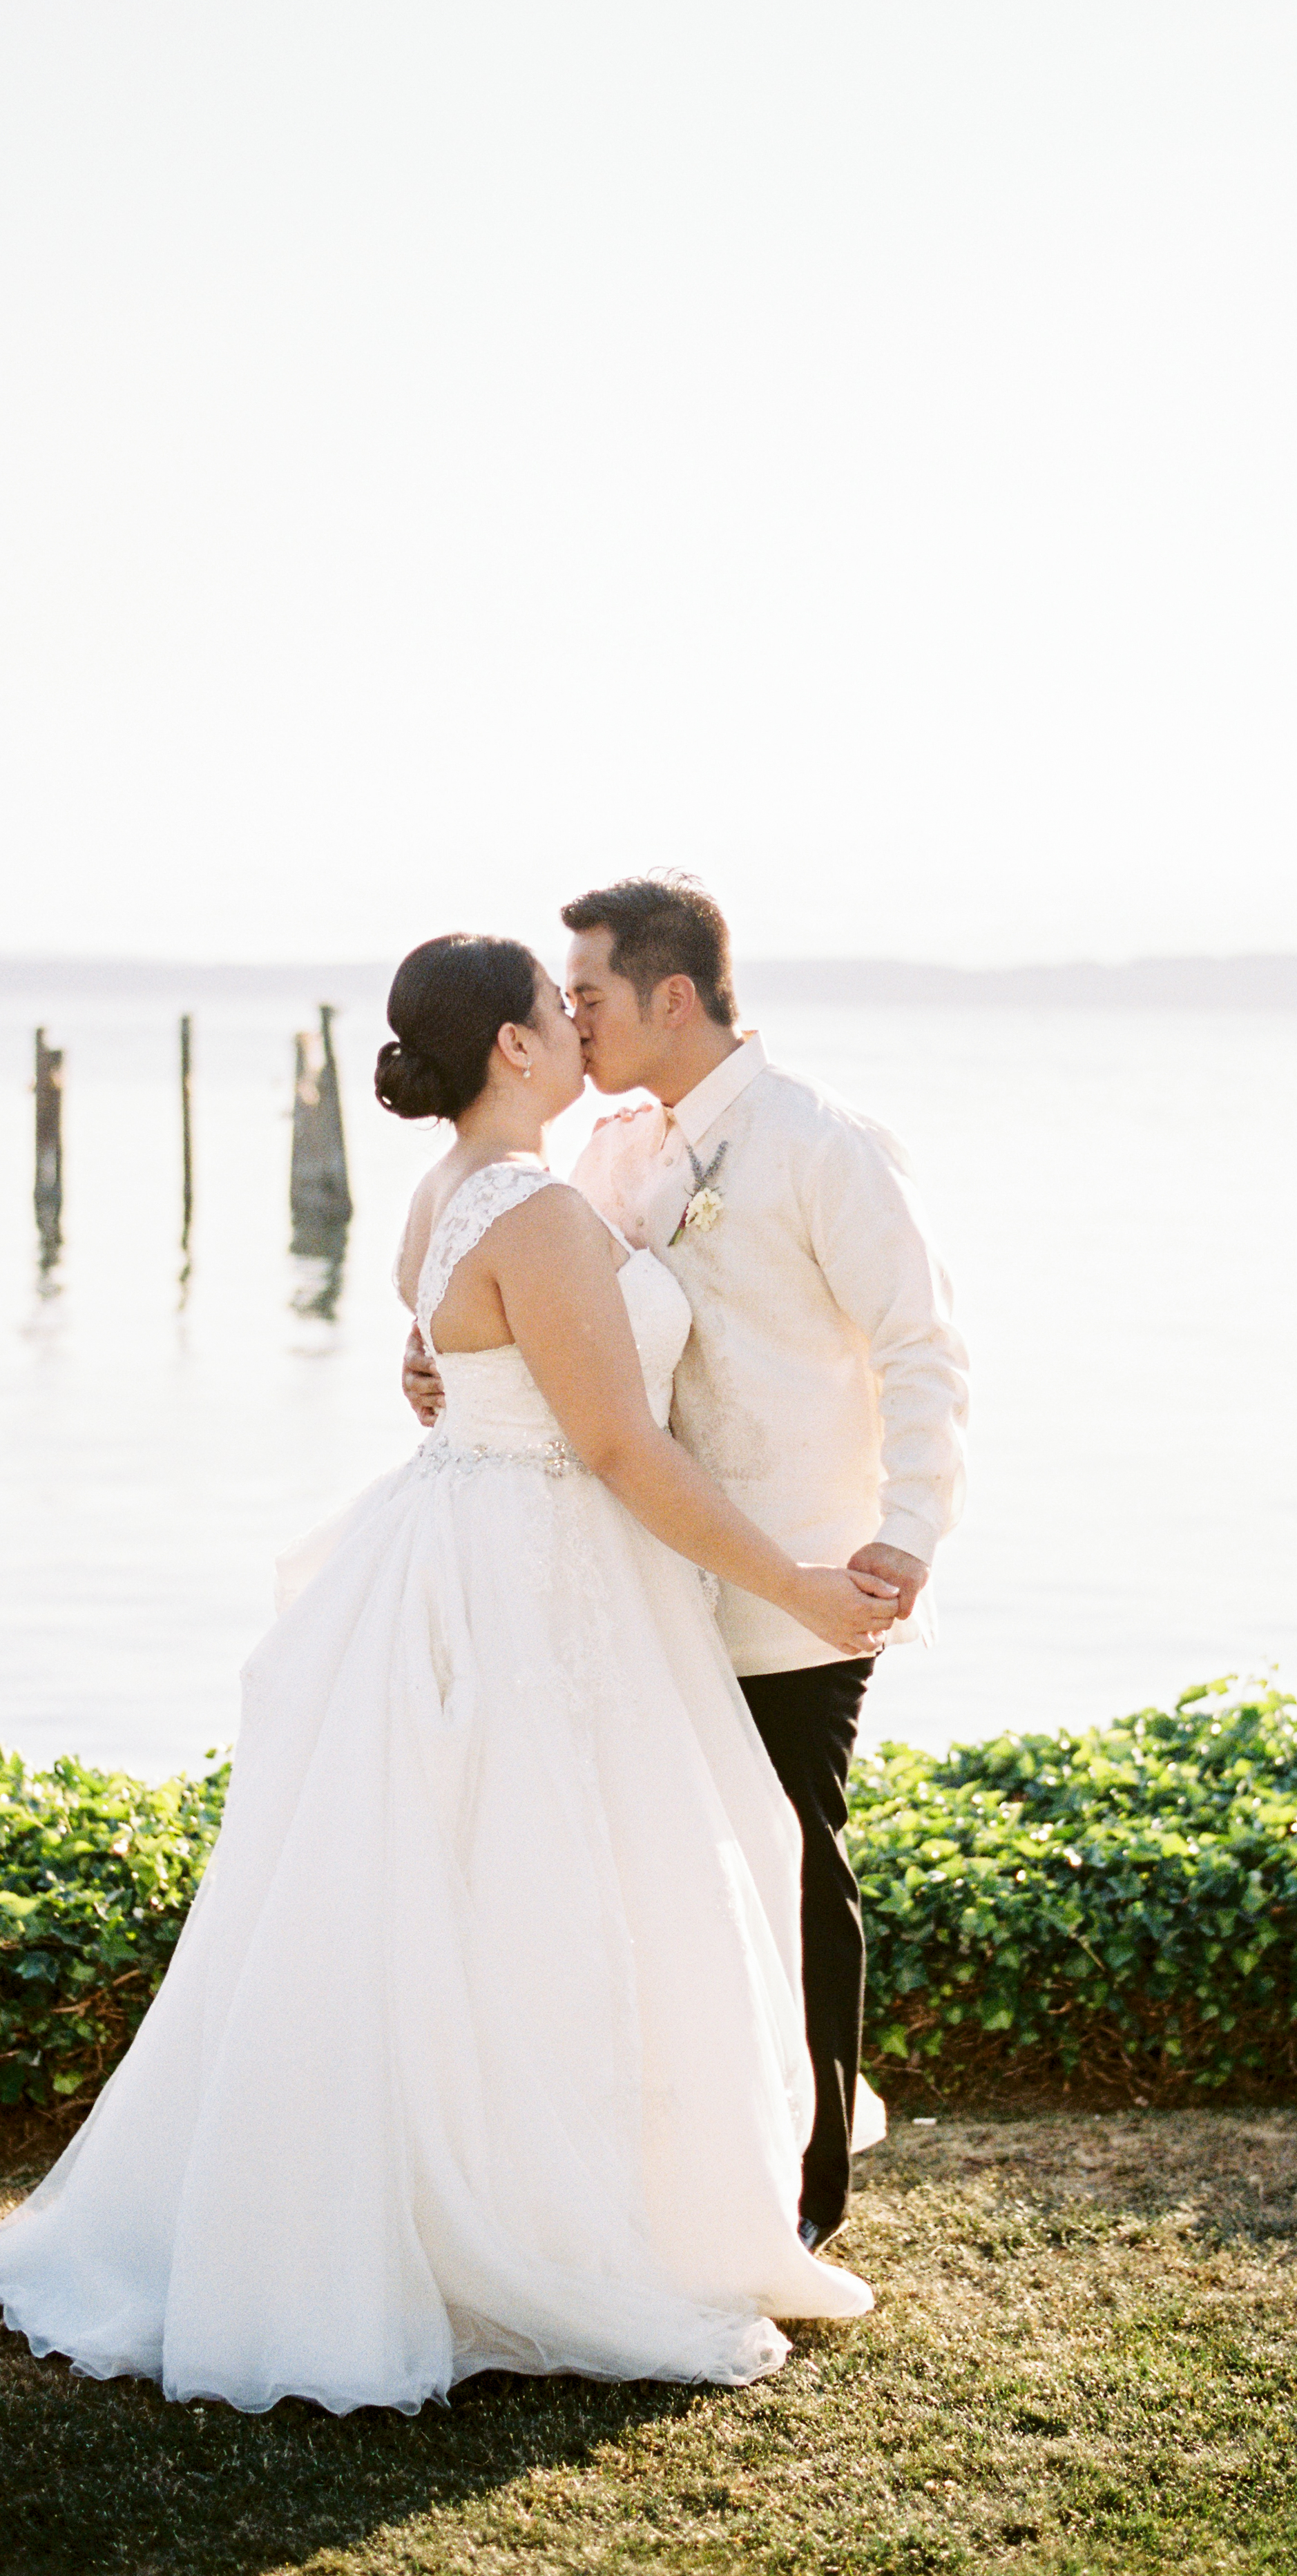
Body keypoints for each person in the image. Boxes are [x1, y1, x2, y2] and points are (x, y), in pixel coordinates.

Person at [0, 932, 892, 2417]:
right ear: (513, 1050)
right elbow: (614, 1446)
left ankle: (456, 2188)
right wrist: (793, 1582)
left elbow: (461, 1366)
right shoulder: (532, 1211)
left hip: (468, 1539)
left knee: (462, 1894)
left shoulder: (451, 1190)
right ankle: (532, 2223)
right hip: (537, 1568)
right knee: (549, 1891)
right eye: (556, 1007)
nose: (578, 1022)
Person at [405, 877, 968, 2255]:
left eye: (586, 994)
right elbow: (552, 1331)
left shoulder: (819, 1143)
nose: (571, 1018)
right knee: (658, 1884)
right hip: (633, 1586)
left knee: (787, 1855)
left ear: (671, 997)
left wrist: (900, 1535)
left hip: (798, 1574)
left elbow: (920, 1349)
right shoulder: (602, 1154)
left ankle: (808, 2187)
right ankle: (671, 2169)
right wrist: (439, 1355)